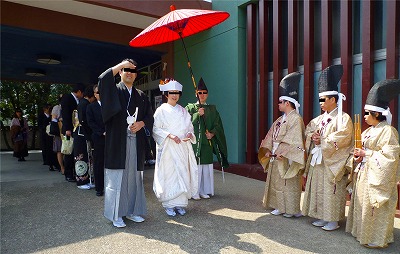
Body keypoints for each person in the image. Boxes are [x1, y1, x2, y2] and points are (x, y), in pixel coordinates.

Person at [98, 59, 154, 228]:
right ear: (120, 72)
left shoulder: (141, 96)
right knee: (117, 178)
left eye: (132, 70)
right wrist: (120, 65)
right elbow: (103, 80)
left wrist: (141, 124)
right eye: (125, 70)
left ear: (136, 75)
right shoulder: (114, 91)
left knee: (133, 178)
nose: (129, 73)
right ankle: (116, 214)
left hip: (135, 141)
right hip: (118, 140)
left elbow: (149, 116)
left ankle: (132, 211)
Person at [346, 79, 400, 249]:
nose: (364, 117)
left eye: (367, 113)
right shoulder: (368, 131)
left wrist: (366, 153)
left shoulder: (388, 131)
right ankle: (362, 232)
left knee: (374, 207)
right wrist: (357, 156)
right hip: (364, 173)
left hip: (376, 176)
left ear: (377, 114)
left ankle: (376, 238)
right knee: (364, 205)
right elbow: (359, 150)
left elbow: (390, 157)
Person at [302, 64, 353, 231]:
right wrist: (313, 137)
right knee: (319, 188)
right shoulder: (319, 119)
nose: (321, 103)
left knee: (331, 189)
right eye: (320, 100)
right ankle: (322, 216)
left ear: (333, 99)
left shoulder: (343, 118)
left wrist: (322, 140)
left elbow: (344, 137)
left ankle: (332, 220)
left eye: (324, 100)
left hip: (332, 161)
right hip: (319, 159)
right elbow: (309, 130)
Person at [259, 72, 305, 218]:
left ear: (287, 102)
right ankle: (280, 205)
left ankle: (291, 209)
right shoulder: (280, 119)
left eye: (280, 102)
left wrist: (282, 152)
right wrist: (267, 149)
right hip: (276, 153)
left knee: (288, 183)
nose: (278, 104)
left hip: (286, 156)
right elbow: (270, 135)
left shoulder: (296, 119)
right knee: (277, 182)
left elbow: (295, 139)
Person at [153, 78, 198, 217]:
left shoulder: (183, 111)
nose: (174, 95)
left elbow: (189, 127)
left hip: (182, 147)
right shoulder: (161, 111)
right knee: (170, 174)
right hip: (168, 148)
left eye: (177, 92)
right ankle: (168, 204)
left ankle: (180, 204)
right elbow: (156, 129)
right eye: (172, 92)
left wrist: (190, 134)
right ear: (166, 94)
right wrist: (169, 136)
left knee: (183, 173)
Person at [185, 77, 228, 199]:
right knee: (196, 167)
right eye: (200, 93)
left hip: (208, 142)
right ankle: (194, 191)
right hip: (195, 142)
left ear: (207, 94)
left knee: (206, 167)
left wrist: (213, 133)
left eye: (204, 93)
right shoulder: (190, 108)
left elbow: (217, 124)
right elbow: (185, 123)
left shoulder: (212, 109)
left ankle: (204, 190)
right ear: (196, 93)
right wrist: (197, 115)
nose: (202, 95)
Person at [61, 84, 85, 182]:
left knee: (74, 151)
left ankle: (74, 173)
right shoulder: (67, 98)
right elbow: (65, 114)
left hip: (75, 129)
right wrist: (67, 128)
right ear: (79, 91)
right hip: (69, 130)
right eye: (82, 93)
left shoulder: (77, 100)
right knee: (68, 152)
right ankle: (68, 174)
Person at [74, 85, 95, 189]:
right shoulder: (85, 104)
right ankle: (81, 182)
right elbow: (85, 121)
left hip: (81, 133)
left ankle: (86, 179)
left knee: (85, 156)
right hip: (82, 133)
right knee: (81, 156)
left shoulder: (82, 103)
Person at [86, 84, 106, 196]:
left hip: (111, 139)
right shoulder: (91, 107)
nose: (101, 94)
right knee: (99, 163)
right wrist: (102, 132)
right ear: (95, 94)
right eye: (98, 92)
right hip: (98, 138)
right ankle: (99, 188)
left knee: (112, 163)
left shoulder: (110, 106)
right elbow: (90, 123)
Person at [38, 104, 57, 171]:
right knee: (45, 147)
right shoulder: (41, 116)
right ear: (45, 109)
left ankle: (53, 162)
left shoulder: (52, 115)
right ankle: (46, 160)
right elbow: (40, 125)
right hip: (44, 134)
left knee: (52, 148)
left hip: (51, 134)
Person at [51, 94, 65, 174]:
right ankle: (62, 167)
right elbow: (53, 119)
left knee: (67, 149)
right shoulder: (56, 108)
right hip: (59, 131)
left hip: (66, 130)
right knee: (60, 150)